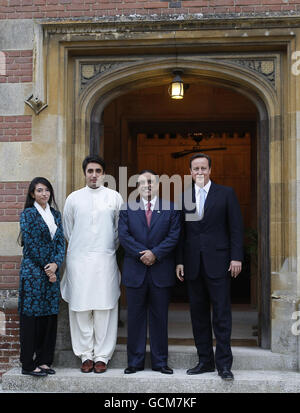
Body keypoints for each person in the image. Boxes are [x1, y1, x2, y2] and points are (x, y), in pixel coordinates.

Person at [176, 153, 243, 381]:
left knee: (222, 316)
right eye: (196, 168)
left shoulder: (226, 194)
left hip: (220, 264)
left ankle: (224, 364)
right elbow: (181, 233)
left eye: (204, 168)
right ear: (191, 172)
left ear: (210, 170)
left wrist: (236, 257)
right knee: (198, 316)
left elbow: (235, 228)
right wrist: (180, 261)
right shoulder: (185, 197)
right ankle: (205, 361)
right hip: (194, 265)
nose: (200, 172)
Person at [61, 155, 123, 374]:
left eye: (98, 171)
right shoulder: (73, 199)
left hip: (105, 258)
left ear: (103, 173)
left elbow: (119, 231)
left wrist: (104, 249)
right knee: (80, 308)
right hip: (79, 259)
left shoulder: (114, 197)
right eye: (90, 171)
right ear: (84, 173)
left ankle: (102, 356)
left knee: (105, 307)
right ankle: (86, 355)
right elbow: (68, 230)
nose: (94, 175)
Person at [118, 170, 181, 375]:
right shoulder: (127, 209)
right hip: (135, 271)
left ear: (158, 184)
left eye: (151, 182)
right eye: (142, 183)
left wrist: (155, 254)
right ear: (137, 186)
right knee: (135, 318)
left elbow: (174, 236)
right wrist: (142, 254)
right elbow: (124, 236)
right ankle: (134, 362)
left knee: (159, 318)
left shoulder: (170, 208)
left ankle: (160, 362)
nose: (147, 186)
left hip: (160, 271)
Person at [18, 177, 65, 377]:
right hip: (34, 273)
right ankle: (28, 364)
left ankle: (44, 360)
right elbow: (31, 244)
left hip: (51, 272)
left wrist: (56, 264)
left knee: (49, 317)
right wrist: (49, 269)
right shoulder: (28, 214)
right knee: (31, 318)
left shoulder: (55, 214)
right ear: (32, 194)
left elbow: (61, 242)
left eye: (46, 190)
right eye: (39, 190)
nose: (44, 193)